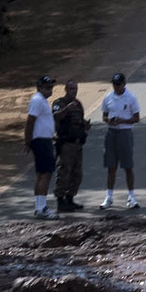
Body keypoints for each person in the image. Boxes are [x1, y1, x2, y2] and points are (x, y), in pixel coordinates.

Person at [98, 72, 141, 209]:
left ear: (124, 84)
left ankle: (131, 196)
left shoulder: (131, 98)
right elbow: (104, 115)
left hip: (125, 132)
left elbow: (136, 117)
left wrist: (123, 121)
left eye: (118, 84)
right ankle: (109, 197)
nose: (116, 87)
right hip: (111, 132)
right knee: (111, 166)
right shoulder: (108, 97)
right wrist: (109, 121)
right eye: (114, 84)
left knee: (128, 165)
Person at [24, 74, 58, 217]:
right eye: (47, 87)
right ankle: (42, 207)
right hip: (41, 141)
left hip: (44, 139)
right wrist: (28, 141)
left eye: (51, 86)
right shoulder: (37, 100)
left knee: (40, 174)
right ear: (39, 87)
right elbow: (30, 121)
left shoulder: (42, 101)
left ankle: (39, 206)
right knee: (46, 173)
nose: (50, 89)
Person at [52, 80, 89, 213]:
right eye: (71, 89)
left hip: (78, 143)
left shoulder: (78, 104)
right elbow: (55, 116)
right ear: (66, 89)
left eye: (75, 89)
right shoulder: (59, 103)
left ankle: (70, 198)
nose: (74, 91)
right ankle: (60, 200)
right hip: (66, 144)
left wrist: (85, 125)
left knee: (77, 173)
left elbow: (81, 119)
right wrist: (66, 110)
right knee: (64, 171)